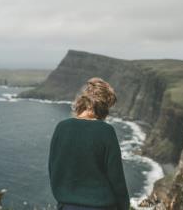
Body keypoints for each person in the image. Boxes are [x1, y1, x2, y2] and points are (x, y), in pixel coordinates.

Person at [48, 77, 130, 210]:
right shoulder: (106, 131)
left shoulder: (61, 127)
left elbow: (53, 169)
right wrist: (124, 207)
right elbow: (117, 179)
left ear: (81, 101)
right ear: (104, 106)